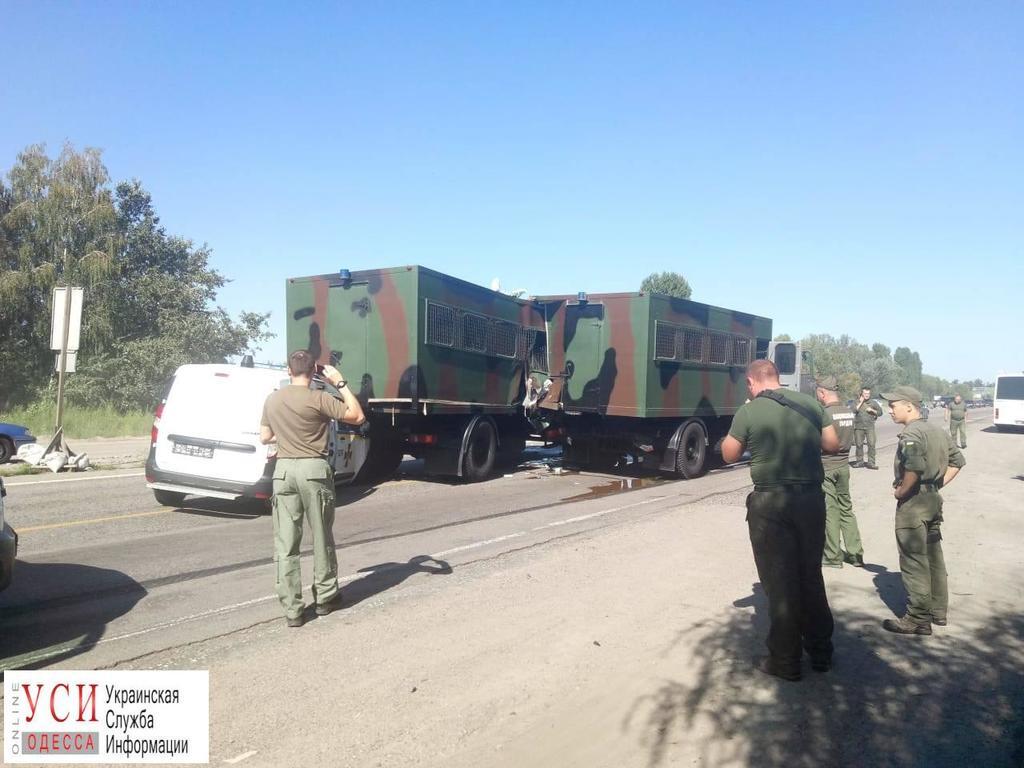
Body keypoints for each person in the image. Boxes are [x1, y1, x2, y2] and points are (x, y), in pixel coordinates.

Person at [722, 360, 841, 681]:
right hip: (811, 501)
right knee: (810, 575)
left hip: (771, 503)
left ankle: (785, 660)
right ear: (777, 378)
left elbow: (728, 454)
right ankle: (821, 652)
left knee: (780, 582)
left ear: (751, 382)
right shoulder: (811, 404)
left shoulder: (749, 411)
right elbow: (832, 444)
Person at [260, 350, 366, 627]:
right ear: (314, 371)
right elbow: (356, 415)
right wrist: (340, 383)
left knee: (286, 543)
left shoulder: (272, 399)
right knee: (321, 536)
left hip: (283, 472)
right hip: (313, 471)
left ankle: (293, 610)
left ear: (288, 370)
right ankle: (325, 598)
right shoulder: (319, 398)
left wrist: (286, 431)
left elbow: (264, 437)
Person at [879, 385, 965, 635]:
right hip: (932, 501)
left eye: (893, 405)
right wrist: (936, 485)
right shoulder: (936, 430)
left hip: (914, 504)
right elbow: (957, 462)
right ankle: (938, 612)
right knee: (933, 556)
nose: (890, 410)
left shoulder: (912, 434)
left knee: (914, 560)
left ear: (909, 406)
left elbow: (913, 469)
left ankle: (917, 618)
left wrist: (901, 492)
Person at [815, 376, 864, 568]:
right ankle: (855, 554)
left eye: (818, 393)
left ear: (822, 392)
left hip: (827, 467)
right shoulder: (848, 412)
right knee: (846, 508)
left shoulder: (823, 414)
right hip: (844, 466)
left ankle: (833, 556)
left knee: (830, 511)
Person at [852, 387, 883, 469]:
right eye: (865, 393)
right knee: (859, 445)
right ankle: (859, 462)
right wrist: (861, 402)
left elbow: (880, 413)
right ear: (862, 394)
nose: (867, 395)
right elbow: (853, 410)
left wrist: (873, 411)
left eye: (868, 393)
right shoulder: (856, 402)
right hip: (859, 427)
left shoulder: (873, 403)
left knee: (871, 444)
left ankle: (871, 463)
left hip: (870, 427)